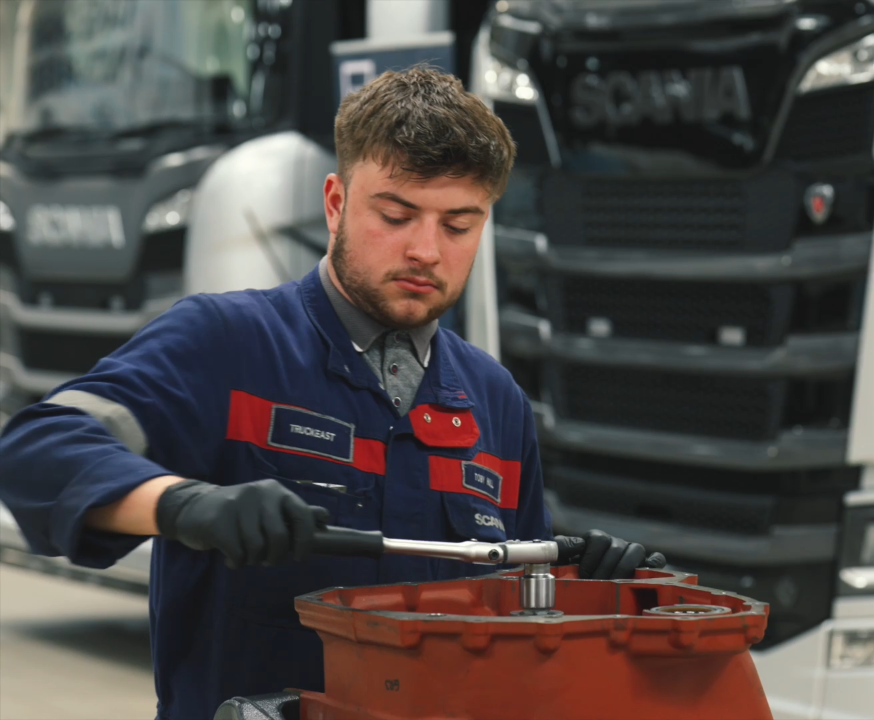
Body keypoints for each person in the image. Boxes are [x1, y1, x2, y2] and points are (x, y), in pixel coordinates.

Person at [0, 67, 658, 718]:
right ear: (336, 203)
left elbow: (516, 633)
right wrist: (183, 506)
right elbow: (37, 448)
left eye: (458, 225)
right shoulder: (228, 344)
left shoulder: (496, 403)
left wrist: (585, 590)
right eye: (397, 215)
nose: (426, 249)